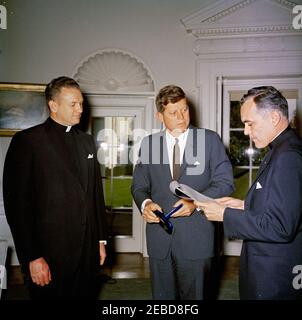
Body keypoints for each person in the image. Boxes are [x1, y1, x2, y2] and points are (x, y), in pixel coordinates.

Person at [3, 76, 108, 299]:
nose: (80, 109)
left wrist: (100, 241)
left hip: (86, 253)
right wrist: (32, 257)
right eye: (73, 104)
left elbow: (95, 196)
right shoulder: (28, 142)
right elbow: (17, 207)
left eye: (81, 103)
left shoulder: (87, 142)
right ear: (53, 105)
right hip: (49, 256)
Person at [195, 86, 302, 300]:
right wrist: (243, 205)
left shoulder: (288, 156)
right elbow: (284, 206)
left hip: (275, 275)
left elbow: (280, 227)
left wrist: (224, 214)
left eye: (249, 123)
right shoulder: (281, 149)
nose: (245, 131)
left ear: (273, 117)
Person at [131, 85, 234, 300]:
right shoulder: (149, 144)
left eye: (185, 110)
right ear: (160, 115)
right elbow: (138, 186)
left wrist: (195, 203)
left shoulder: (209, 140)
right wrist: (146, 204)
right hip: (159, 242)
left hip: (197, 239)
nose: (181, 117)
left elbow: (225, 184)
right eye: (173, 112)